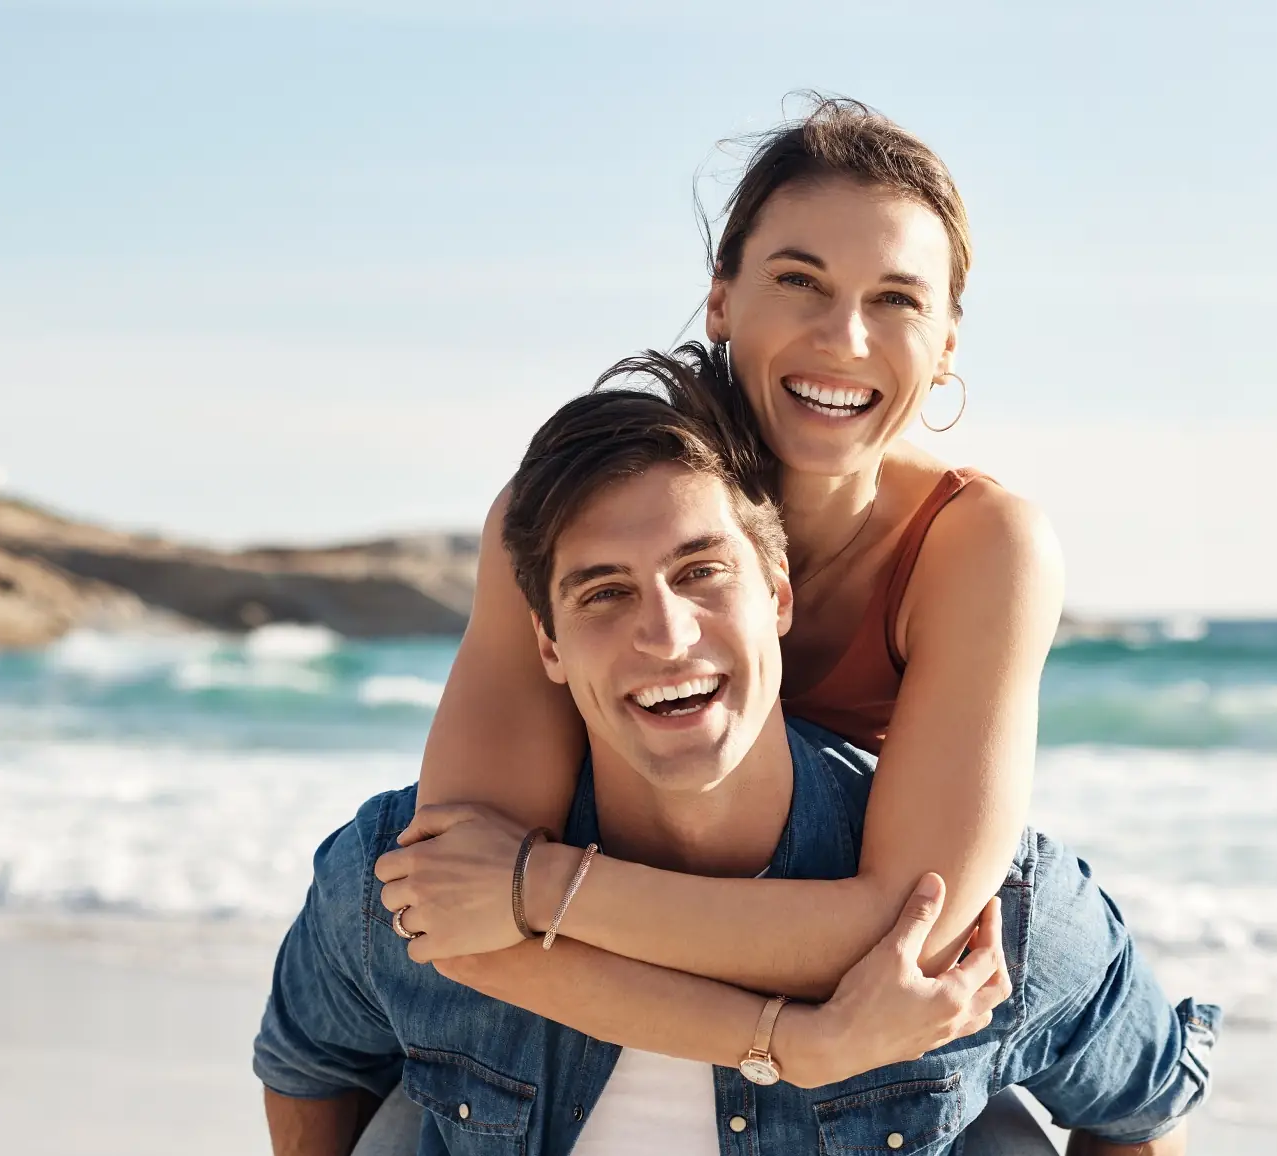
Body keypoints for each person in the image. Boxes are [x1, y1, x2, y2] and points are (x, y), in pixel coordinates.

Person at [254, 377, 1216, 1154]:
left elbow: (1142, 1104)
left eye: (702, 573)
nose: (666, 634)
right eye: (603, 594)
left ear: (781, 595)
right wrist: (798, 1044)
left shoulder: (985, 924)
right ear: (545, 645)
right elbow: (308, 1063)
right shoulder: (408, 876)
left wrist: (540, 889)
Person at [390, 101, 1089, 1072]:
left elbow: (908, 937)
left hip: (975, 1024)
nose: (845, 337)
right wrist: (789, 1043)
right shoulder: (561, 519)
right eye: (800, 280)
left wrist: (539, 887)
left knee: (1078, 956)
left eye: (897, 298)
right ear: (720, 298)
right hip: (676, 984)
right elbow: (447, 899)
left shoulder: (980, 546)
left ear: (948, 344)